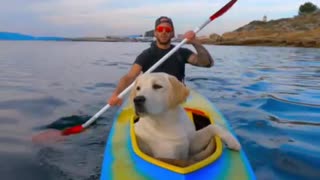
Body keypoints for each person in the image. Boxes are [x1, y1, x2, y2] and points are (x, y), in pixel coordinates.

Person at [108, 16, 214, 106]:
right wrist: (116, 93)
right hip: (152, 98)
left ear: (172, 33)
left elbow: (206, 63)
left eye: (168, 30)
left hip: (175, 98)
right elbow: (130, 77)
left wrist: (195, 42)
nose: (164, 32)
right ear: (155, 33)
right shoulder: (146, 55)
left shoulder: (181, 52)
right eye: (160, 29)